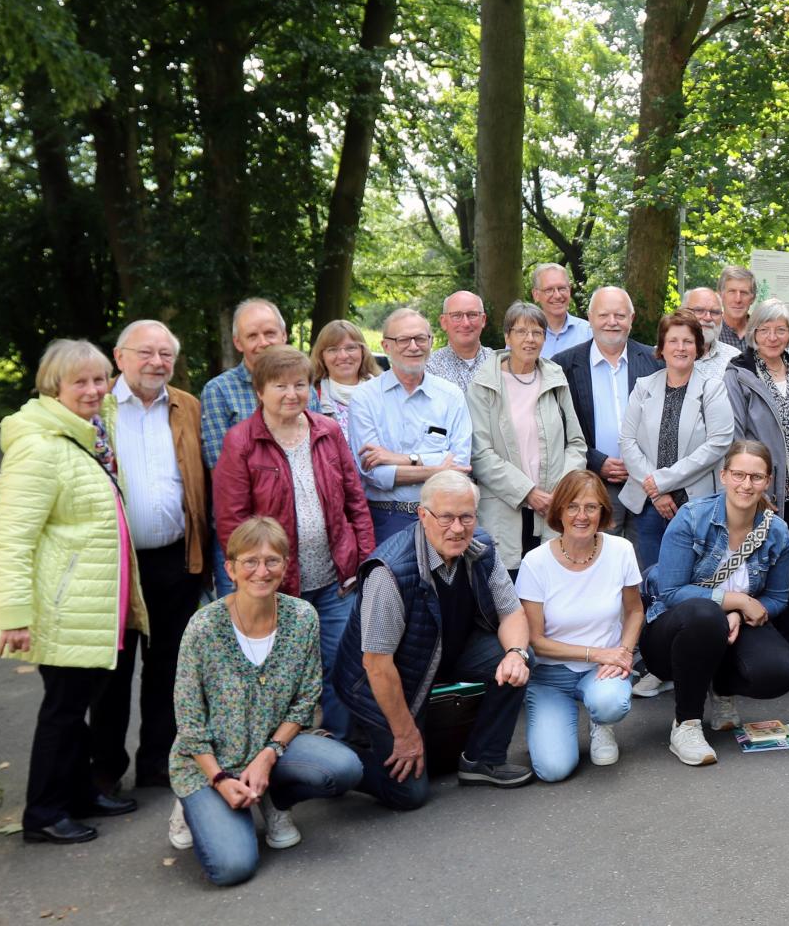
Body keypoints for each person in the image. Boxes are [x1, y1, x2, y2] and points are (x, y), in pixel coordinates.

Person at [0, 339, 150, 845]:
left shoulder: (92, 434)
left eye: (100, 380)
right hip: (63, 604)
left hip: (99, 600)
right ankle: (43, 813)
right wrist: (14, 613)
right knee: (62, 710)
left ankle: (79, 793)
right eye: (80, 381)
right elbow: (11, 537)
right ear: (53, 386)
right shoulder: (40, 446)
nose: (94, 390)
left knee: (82, 705)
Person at [169, 517, 363, 881]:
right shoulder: (204, 627)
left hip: (274, 747)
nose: (262, 570)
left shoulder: (302, 617)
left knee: (345, 768)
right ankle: (190, 803)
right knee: (232, 867)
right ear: (230, 568)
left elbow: (306, 700)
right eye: (250, 561)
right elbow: (189, 720)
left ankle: (275, 798)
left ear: (286, 566)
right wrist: (220, 779)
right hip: (210, 760)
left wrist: (268, 755)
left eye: (272, 560)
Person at [333, 471, 534, 807]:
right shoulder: (390, 572)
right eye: (446, 517)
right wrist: (405, 734)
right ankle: (342, 755)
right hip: (384, 679)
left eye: (466, 517)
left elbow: (511, 612)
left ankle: (482, 759)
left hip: (443, 652)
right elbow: (377, 665)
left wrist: (516, 653)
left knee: (520, 659)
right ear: (422, 515)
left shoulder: (480, 547)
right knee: (408, 794)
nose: (458, 528)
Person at [211, 344, 376, 737]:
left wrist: (365, 561)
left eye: (300, 384)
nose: (291, 394)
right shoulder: (241, 442)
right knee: (282, 675)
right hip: (278, 586)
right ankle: (282, 757)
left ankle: (338, 748)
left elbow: (356, 502)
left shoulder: (328, 431)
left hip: (337, 580)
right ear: (259, 392)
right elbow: (233, 523)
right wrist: (255, 577)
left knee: (341, 663)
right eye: (280, 386)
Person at [639, 441, 789, 765]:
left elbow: (778, 598)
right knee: (703, 616)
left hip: (729, 627)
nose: (746, 484)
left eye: (756, 477)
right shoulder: (692, 517)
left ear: (767, 481)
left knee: (782, 670)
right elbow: (671, 592)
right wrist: (735, 600)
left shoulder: (777, 531)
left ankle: (721, 688)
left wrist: (740, 612)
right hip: (671, 634)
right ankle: (685, 723)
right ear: (724, 475)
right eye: (739, 474)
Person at [98, 321, 209, 795]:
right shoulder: (95, 406)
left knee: (169, 666)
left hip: (175, 560)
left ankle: (157, 763)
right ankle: (103, 769)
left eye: (166, 354)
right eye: (146, 352)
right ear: (119, 357)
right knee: (112, 670)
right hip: (114, 565)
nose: (157, 362)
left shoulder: (188, 406)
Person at [516, 469, 643, 781]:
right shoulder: (535, 562)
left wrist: (624, 652)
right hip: (550, 675)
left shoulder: (621, 550)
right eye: (572, 506)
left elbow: (636, 611)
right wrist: (599, 654)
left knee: (609, 703)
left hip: (603, 672)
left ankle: (601, 723)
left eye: (591, 507)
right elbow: (536, 641)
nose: (582, 516)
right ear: (559, 510)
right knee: (553, 770)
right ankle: (556, 722)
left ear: (603, 511)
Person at [723, 299, 789, 649]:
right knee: (761, 573)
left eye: (780, 329)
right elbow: (737, 438)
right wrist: (757, 487)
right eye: (764, 329)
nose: (772, 336)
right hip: (760, 495)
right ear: (753, 332)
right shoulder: (738, 373)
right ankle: (761, 649)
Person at [468, 301, 590, 574]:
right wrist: (528, 493)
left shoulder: (555, 378)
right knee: (506, 594)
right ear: (507, 337)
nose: (530, 339)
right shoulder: (484, 384)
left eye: (537, 332)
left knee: (552, 591)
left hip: (553, 507)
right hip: (505, 507)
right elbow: (480, 454)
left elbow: (577, 443)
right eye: (521, 331)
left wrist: (562, 490)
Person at [346, 306, 475, 543]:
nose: (413, 346)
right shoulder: (365, 398)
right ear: (386, 346)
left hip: (444, 519)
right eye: (403, 339)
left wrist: (401, 459)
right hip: (387, 516)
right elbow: (373, 472)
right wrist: (438, 468)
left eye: (420, 338)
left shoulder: (451, 396)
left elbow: (460, 464)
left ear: (431, 341)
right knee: (388, 580)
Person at [618, 309, 736, 569]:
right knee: (651, 580)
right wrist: (656, 491)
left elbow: (718, 444)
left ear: (698, 347)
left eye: (687, 341)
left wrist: (662, 481)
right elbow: (627, 442)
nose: (680, 348)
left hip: (696, 505)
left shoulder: (712, 388)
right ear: (661, 347)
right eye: (673, 341)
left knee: (690, 580)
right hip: (649, 505)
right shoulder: (643, 386)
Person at [551, 286, 661, 535]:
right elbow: (557, 429)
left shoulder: (655, 362)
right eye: (603, 315)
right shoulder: (563, 365)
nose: (612, 322)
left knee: (642, 565)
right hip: (593, 484)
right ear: (590, 318)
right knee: (599, 560)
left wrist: (640, 463)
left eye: (620, 316)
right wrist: (596, 461)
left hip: (647, 483)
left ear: (631, 320)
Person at [200, 298, 292, 471]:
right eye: (252, 336)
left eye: (270, 333)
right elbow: (223, 469)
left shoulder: (303, 387)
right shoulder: (218, 391)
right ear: (238, 343)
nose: (263, 343)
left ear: (284, 336)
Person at [424, 290, 495, 391]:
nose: (466, 323)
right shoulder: (429, 368)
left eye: (472, 315)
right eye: (456, 316)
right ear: (444, 322)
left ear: (483, 320)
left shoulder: (499, 363)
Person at [311, 319, 381, 422]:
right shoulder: (310, 398)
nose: (343, 356)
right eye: (333, 349)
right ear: (321, 356)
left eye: (351, 348)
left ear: (363, 351)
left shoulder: (384, 392)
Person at [531, 262, 591, 357]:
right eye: (549, 290)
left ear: (570, 291)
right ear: (536, 295)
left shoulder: (589, 333)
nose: (557, 296)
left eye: (562, 288)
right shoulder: (522, 335)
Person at [680, 287, 742, 374]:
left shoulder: (734, 358)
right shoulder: (662, 356)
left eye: (715, 312)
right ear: (683, 313)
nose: (708, 318)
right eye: (699, 310)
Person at [716, 265, 757, 351]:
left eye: (744, 293)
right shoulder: (711, 332)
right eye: (732, 292)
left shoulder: (763, 332)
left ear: (753, 298)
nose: (738, 299)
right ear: (720, 295)